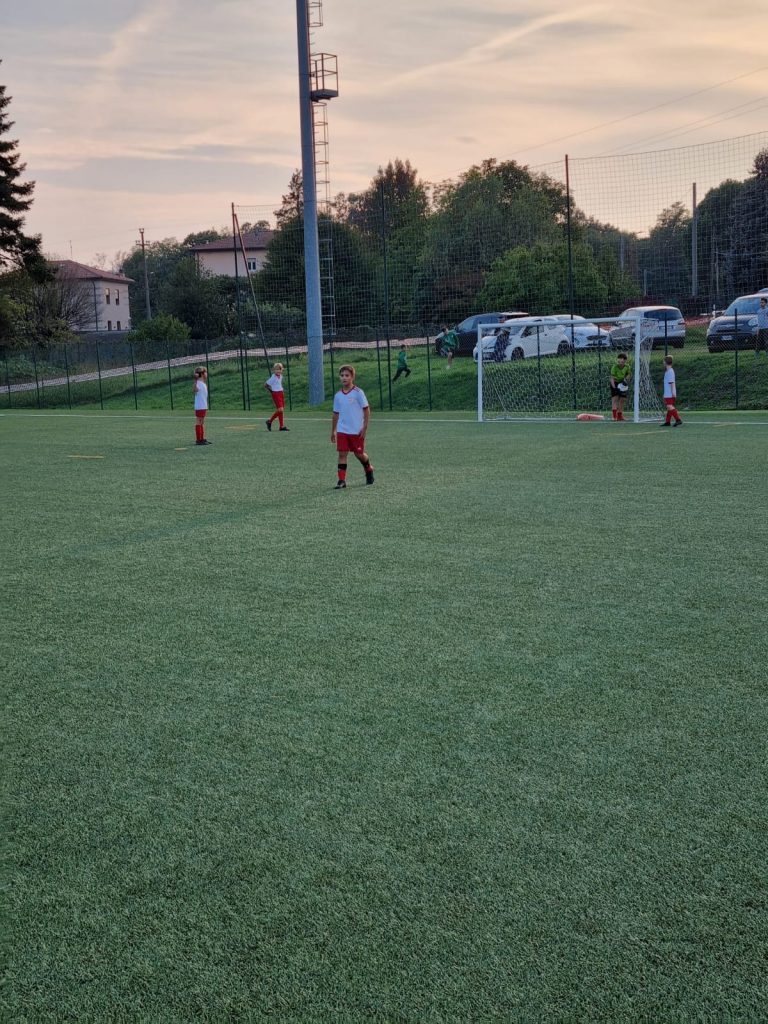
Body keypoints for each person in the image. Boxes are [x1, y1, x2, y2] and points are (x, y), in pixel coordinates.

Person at [331, 365, 374, 489]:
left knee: (359, 454)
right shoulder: (338, 396)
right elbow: (335, 414)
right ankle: (341, 481)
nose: (344, 378)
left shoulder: (358, 393)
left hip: (356, 430)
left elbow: (366, 410)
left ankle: (368, 469)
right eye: (342, 375)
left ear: (352, 377)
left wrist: (365, 427)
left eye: (347, 375)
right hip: (342, 430)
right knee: (342, 454)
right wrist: (333, 430)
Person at [264, 362, 288, 431]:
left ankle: (281, 426)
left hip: (281, 393)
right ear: (274, 370)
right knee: (280, 409)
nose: (278, 371)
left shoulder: (281, 376)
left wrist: (281, 391)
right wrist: (271, 391)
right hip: (276, 394)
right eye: (276, 369)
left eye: (279, 369)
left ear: (281, 370)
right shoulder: (273, 377)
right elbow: (266, 385)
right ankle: (269, 421)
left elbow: (278, 385)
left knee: (281, 411)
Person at [661, 355, 682, 427]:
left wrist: (673, 392)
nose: (663, 362)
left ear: (666, 362)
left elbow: (672, 383)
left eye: (663, 361)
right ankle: (667, 422)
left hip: (670, 393)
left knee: (670, 406)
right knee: (669, 407)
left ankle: (678, 420)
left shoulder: (670, 371)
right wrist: (664, 394)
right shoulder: (667, 371)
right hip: (667, 393)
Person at [609, 352, 631, 421]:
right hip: (615, 383)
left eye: (623, 359)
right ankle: (614, 417)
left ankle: (620, 416)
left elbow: (628, 374)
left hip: (622, 383)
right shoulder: (614, 367)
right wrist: (614, 388)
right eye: (619, 359)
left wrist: (626, 380)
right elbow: (611, 378)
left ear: (625, 360)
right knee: (615, 399)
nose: (621, 360)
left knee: (622, 400)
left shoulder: (627, 367)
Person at [193, 366, 211, 445]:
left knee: (202, 422)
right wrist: (195, 380)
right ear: (202, 374)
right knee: (199, 421)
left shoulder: (203, 383)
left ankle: (202, 438)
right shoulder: (198, 383)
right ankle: (198, 440)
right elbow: (194, 390)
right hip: (200, 406)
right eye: (206, 372)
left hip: (203, 406)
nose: (207, 374)